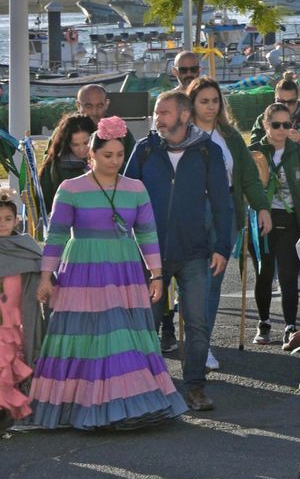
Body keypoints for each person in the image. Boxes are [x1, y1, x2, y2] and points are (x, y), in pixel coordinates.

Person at [31, 116, 190, 428]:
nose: (114, 161)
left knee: (120, 335)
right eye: (107, 155)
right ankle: (87, 408)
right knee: (89, 336)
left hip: (125, 271)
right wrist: (46, 276)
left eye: (119, 155)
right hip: (82, 271)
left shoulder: (136, 188)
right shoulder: (70, 189)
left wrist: (156, 275)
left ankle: (131, 407)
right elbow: (56, 236)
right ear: (91, 153)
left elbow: (147, 234)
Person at [123, 90, 232, 410]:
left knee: (197, 323)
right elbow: (127, 195)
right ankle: (146, 388)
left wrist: (222, 247)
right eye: (157, 112)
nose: (158, 119)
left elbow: (223, 204)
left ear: (184, 116)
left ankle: (195, 388)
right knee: (147, 322)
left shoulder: (207, 152)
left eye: (165, 113)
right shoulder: (144, 150)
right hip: (150, 255)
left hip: (196, 251)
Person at [187, 75, 271, 368]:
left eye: (215, 101)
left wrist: (261, 207)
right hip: (192, 214)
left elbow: (248, 175)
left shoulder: (230, 135)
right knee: (193, 282)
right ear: (192, 103)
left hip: (227, 213)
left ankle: (201, 346)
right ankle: (189, 340)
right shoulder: (182, 135)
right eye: (204, 101)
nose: (210, 107)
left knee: (212, 283)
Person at [249, 102, 300, 351]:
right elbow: (245, 186)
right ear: (266, 125)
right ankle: (264, 322)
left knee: (289, 275)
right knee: (264, 272)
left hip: (292, 220)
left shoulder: (299, 151)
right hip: (262, 219)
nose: (281, 129)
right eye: (276, 124)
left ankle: (290, 326)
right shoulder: (254, 152)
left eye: (286, 124)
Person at [0, 191, 42, 427]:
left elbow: (42, 267)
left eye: (7, 218)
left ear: (16, 220)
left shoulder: (25, 245)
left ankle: (15, 409)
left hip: (18, 316)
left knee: (18, 359)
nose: (2, 224)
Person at [38, 113, 96, 211]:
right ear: (66, 143)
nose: (82, 149)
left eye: (86, 143)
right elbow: (43, 201)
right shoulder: (55, 166)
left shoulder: (105, 160)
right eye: (75, 145)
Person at [250, 74, 300, 146]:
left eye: (291, 102)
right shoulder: (263, 119)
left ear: (298, 100)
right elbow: (255, 148)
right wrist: (271, 137)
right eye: (281, 101)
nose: (286, 106)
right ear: (275, 99)